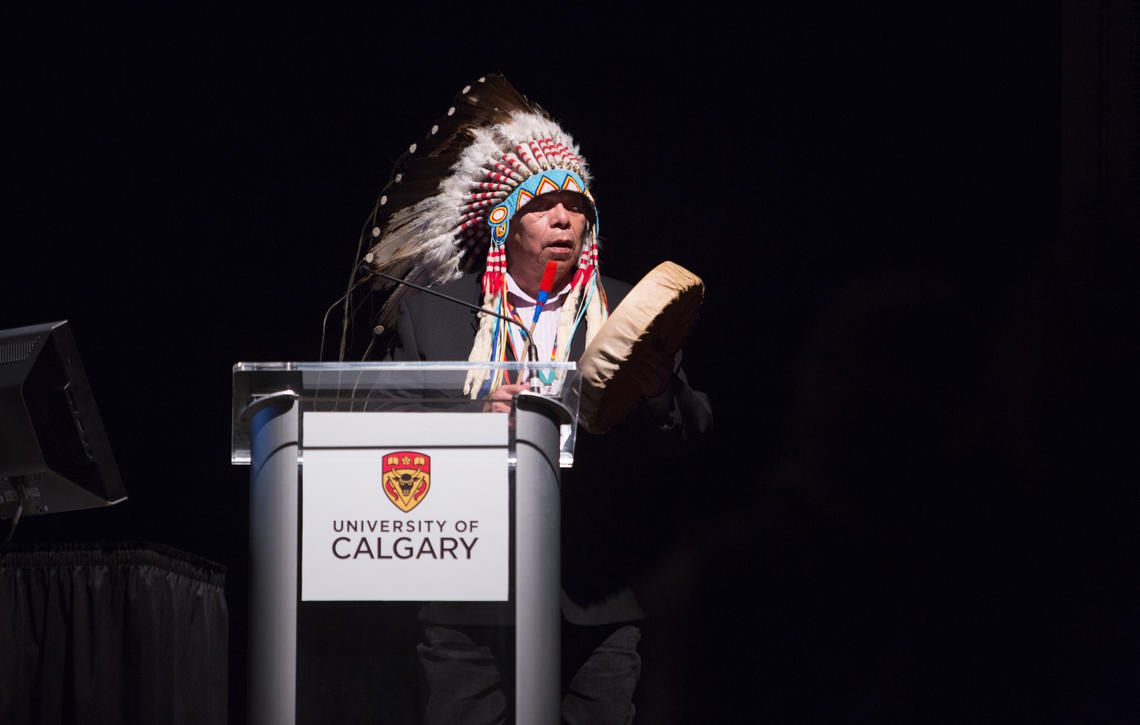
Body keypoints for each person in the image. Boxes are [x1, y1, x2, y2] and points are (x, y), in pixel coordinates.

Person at [346, 75, 712, 724]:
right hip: (470, 589)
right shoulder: (434, 311)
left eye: (578, 205)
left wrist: (659, 394)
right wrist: (472, 421)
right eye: (544, 205)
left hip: (595, 591)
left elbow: (695, 437)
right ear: (503, 219)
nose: (565, 217)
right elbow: (381, 428)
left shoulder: (627, 307)